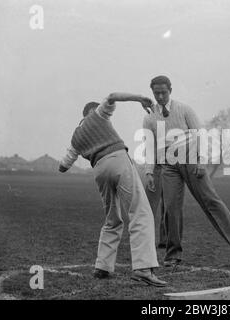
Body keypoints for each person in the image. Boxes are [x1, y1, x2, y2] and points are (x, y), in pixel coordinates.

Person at [59, 92, 167, 287]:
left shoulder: (76, 136)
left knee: (112, 218)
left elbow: (64, 165)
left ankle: (103, 267)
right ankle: (143, 269)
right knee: (141, 213)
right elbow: (112, 96)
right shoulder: (98, 114)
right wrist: (140, 98)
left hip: (99, 170)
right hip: (118, 159)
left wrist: (76, 153)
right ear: (92, 111)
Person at [143, 75, 230, 267]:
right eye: (156, 93)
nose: (160, 96)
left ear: (170, 91)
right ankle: (173, 254)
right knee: (170, 209)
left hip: (191, 158)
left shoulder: (184, 109)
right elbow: (150, 146)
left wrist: (201, 161)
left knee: (210, 201)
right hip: (168, 164)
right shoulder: (149, 117)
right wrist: (150, 172)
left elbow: (200, 134)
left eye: (163, 92)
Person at [144, 164, 167, 248]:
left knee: (169, 209)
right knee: (149, 209)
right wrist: (149, 172)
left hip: (171, 170)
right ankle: (146, 239)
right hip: (156, 169)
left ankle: (165, 240)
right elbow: (150, 151)